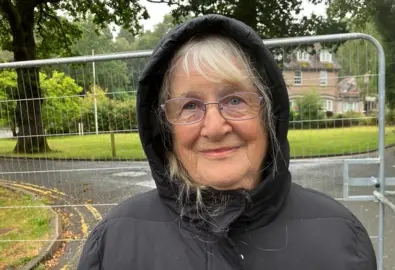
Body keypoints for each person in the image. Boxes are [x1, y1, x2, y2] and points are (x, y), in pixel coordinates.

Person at [78, 14, 377, 269]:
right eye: (190, 106)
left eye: (235, 99)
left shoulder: (342, 239)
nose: (215, 127)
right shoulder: (113, 245)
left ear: (268, 114)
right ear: (166, 127)